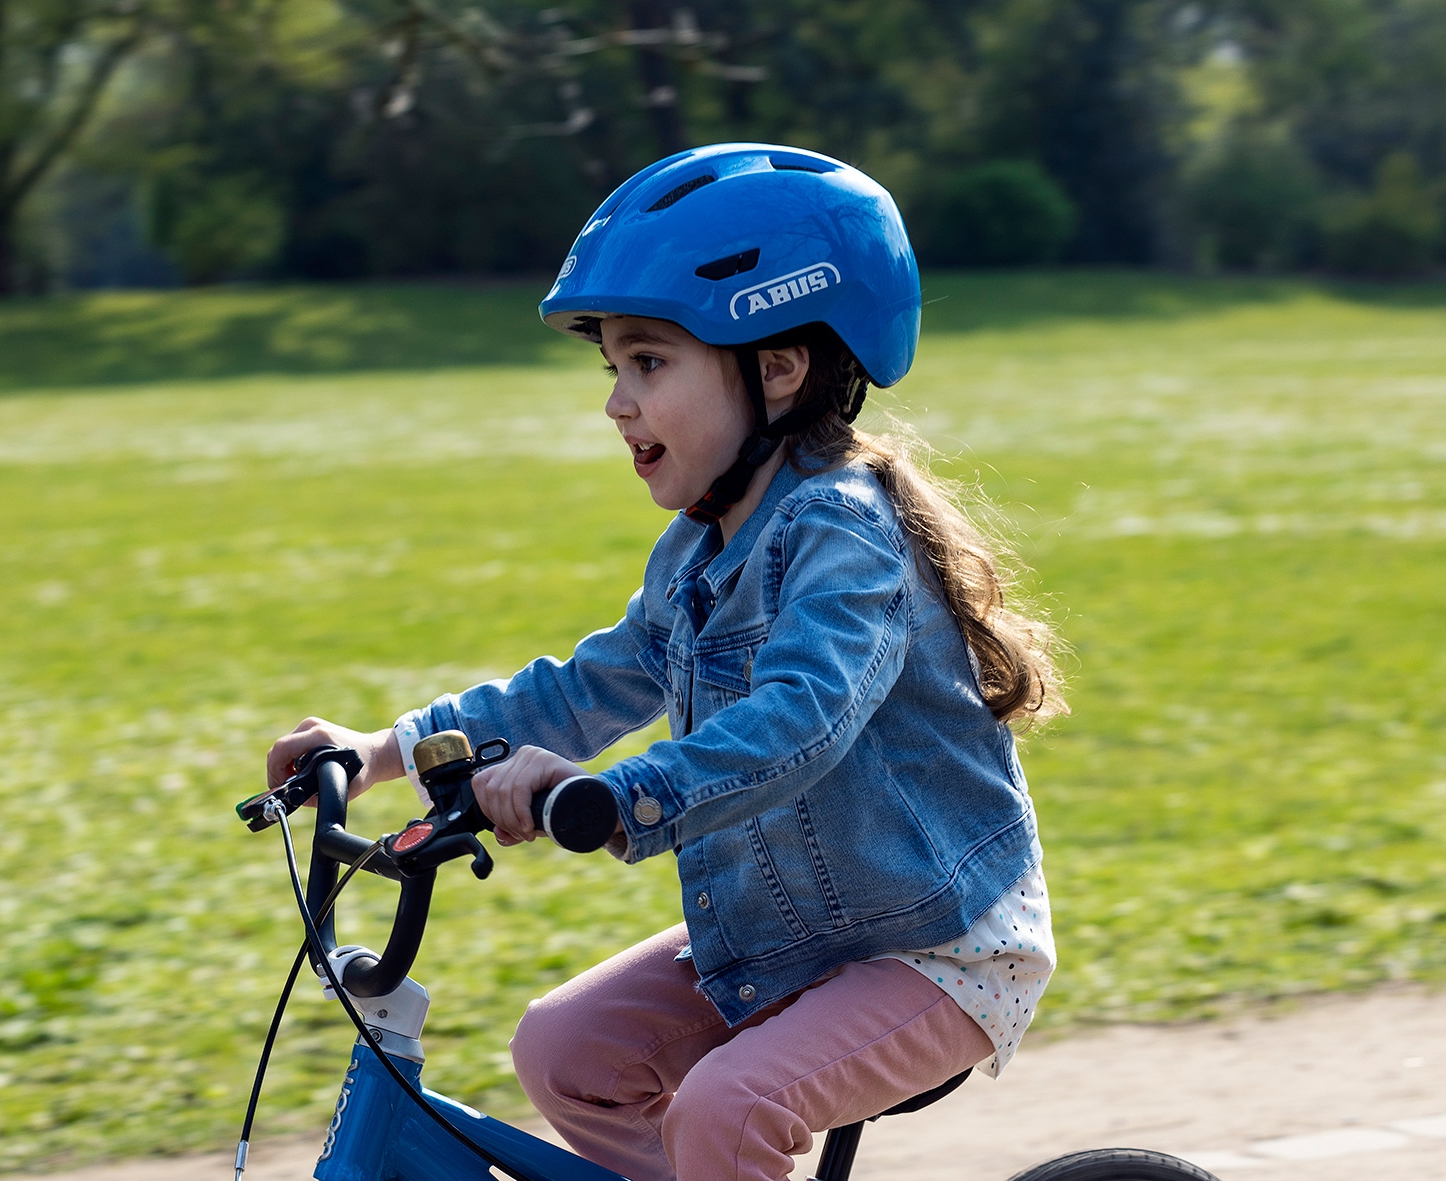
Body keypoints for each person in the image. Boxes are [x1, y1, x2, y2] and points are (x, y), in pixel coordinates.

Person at [267, 143, 1066, 1181]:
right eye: (613, 368)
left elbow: (798, 720)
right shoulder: (699, 544)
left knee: (724, 1110)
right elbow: (585, 684)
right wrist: (380, 750)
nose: (616, 402)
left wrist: (612, 795)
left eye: (649, 363)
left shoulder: (844, 534)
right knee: (566, 1053)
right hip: (785, 933)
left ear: (777, 368)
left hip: (934, 948)